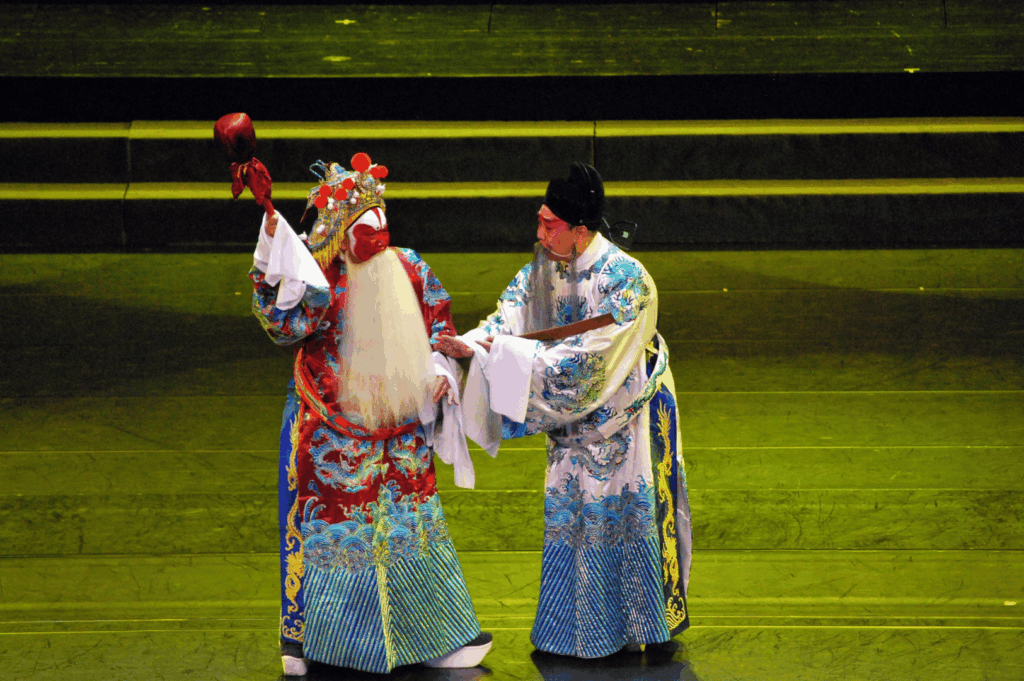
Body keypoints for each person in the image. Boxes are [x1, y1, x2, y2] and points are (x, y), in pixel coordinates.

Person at [435, 162, 692, 658]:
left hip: (623, 415)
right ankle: (568, 632)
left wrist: (502, 357)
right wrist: (471, 345)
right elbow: (506, 319)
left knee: (623, 515)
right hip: (574, 425)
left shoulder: (628, 282)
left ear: (579, 231)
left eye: (548, 225)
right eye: (539, 220)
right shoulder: (544, 268)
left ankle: (643, 626)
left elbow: (591, 363)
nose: (539, 232)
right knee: (572, 517)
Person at [249, 153, 491, 675]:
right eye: (366, 232)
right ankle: (319, 641)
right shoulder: (319, 280)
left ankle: (433, 636)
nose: (380, 241)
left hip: (401, 428)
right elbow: (281, 326)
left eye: (383, 227)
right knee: (334, 536)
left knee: (412, 529)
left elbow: (440, 330)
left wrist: (442, 371)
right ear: (340, 237)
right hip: (332, 432)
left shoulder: (411, 267)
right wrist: (273, 237)